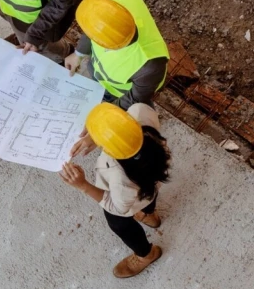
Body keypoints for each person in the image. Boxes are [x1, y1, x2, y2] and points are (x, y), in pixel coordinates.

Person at [60, 102, 171, 278]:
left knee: (119, 224)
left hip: (127, 200)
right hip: (151, 182)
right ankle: (150, 214)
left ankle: (146, 254)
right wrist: (99, 136)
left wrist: (83, 185)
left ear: (110, 150)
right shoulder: (140, 112)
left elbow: (117, 207)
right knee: (149, 196)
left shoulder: (121, 180)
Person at [64, 0, 169, 110]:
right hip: (101, 76)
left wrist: (110, 111)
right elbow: (93, 25)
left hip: (118, 93)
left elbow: (135, 98)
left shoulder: (150, 66)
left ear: (108, 46)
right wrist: (78, 54)